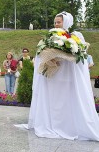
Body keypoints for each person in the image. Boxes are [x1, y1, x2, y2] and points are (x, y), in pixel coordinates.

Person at [28, 11, 99, 141]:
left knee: (66, 100)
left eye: (58, 22)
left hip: (67, 77)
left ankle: (68, 125)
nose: (56, 24)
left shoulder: (75, 37)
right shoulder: (49, 37)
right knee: (54, 100)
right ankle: (52, 123)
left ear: (65, 22)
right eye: (55, 22)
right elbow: (40, 54)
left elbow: (80, 57)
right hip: (53, 77)